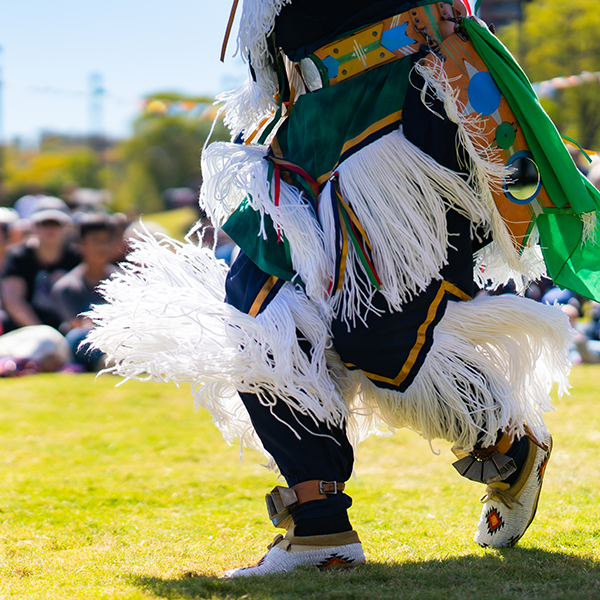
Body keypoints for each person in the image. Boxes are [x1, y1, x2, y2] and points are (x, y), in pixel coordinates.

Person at [86, 0, 600, 577]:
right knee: (261, 323)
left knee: (375, 332)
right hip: (304, 124)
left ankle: (508, 443)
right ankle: (319, 527)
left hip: (400, 98)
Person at [0, 199, 80, 333]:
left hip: (68, 329)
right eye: (44, 223)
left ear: (66, 226)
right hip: (24, 329)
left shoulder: (77, 256)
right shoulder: (18, 256)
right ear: (34, 226)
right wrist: (41, 332)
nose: (50, 229)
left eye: (56, 224)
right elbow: (13, 300)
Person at [51, 213, 119, 370]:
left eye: (106, 241)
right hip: (90, 343)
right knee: (77, 338)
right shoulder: (66, 287)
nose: (102, 247)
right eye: (96, 240)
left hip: (122, 337)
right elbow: (78, 326)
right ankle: (109, 362)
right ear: (81, 245)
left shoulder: (123, 281)